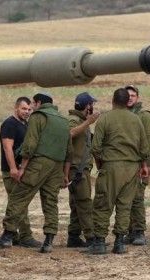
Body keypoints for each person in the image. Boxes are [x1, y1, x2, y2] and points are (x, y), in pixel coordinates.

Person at [0, 92, 73, 253]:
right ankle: (48, 241)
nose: (31, 108)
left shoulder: (38, 117)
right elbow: (69, 151)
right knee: (51, 202)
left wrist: (22, 168)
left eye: (32, 104)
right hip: (57, 167)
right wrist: (65, 174)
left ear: (38, 103)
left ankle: (7, 236)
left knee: (18, 197)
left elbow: (30, 145)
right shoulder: (63, 121)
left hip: (39, 164)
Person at [90, 88, 149, 255]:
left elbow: (95, 146)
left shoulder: (105, 118)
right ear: (127, 101)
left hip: (111, 166)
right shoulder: (136, 120)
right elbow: (144, 148)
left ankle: (100, 242)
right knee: (125, 206)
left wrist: (101, 162)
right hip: (132, 168)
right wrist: (143, 165)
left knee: (103, 204)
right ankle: (119, 242)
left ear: (113, 101)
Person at [0, 96, 41, 248]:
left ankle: (15, 235)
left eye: (29, 109)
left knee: (17, 203)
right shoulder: (10, 124)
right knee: (19, 203)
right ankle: (25, 236)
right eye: (23, 109)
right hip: (12, 171)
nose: (27, 112)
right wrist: (13, 168)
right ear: (16, 108)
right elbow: (7, 147)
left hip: (21, 171)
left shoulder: (25, 124)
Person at [124, 85, 150, 246]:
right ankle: (130, 231)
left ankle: (139, 231)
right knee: (125, 199)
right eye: (127, 95)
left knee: (137, 198)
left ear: (138, 97)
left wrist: (148, 164)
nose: (130, 97)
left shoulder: (144, 116)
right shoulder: (121, 115)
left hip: (139, 164)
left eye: (133, 95)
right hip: (124, 165)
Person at [66, 92, 100, 248]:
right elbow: (70, 133)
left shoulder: (80, 120)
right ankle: (91, 238)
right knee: (85, 203)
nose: (92, 107)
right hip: (77, 170)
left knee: (76, 204)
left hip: (81, 169)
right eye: (91, 104)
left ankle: (73, 236)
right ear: (87, 106)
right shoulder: (74, 120)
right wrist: (89, 122)